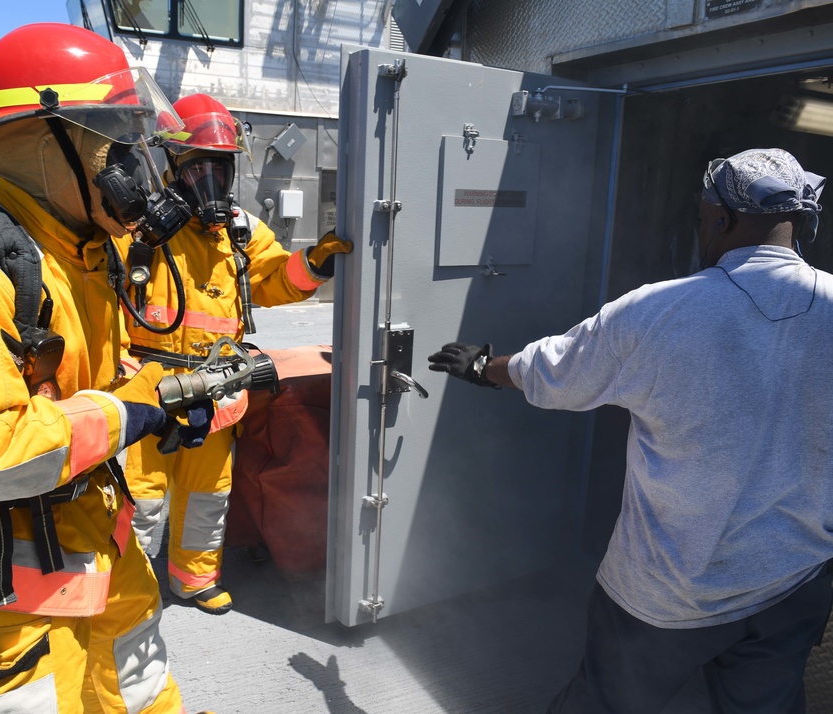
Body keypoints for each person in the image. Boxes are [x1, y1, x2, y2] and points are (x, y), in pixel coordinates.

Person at [0, 23, 211, 713]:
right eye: (111, 140)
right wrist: (129, 415)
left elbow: (87, 390)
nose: (128, 165)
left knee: (139, 691)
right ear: (43, 141)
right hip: (5, 596)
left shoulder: (78, 258)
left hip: (94, 547)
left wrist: (159, 402)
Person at [428, 147, 833, 713]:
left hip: (668, 593)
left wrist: (483, 367)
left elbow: (554, 372)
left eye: (702, 219)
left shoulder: (663, 311)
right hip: (793, 582)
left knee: (606, 704)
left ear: (720, 218)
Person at [113, 92, 352, 615]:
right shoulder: (136, 229)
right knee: (141, 499)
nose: (212, 180)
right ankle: (123, 591)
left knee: (208, 494)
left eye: (220, 167)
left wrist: (313, 262)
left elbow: (272, 279)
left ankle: (193, 579)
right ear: (173, 164)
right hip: (147, 385)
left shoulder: (240, 231)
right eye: (200, 166)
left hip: (216, 386)